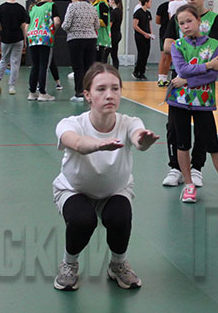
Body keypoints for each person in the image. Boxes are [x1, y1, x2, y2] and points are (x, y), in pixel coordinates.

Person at [52, 63, 159, 291]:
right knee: (83, 220)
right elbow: (77, 143)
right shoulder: (71, 124)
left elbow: (138, 137)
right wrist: (99, 144)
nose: (109, 95)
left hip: (115, 189)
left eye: (115, 88)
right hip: (74, 189)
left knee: (120, 217)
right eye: (101, 89)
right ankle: (69, 264)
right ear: (87, 95)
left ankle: (118, 265)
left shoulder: (129, 122)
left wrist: (144, 140)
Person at [168, 4, 218, 204]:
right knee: (182, 144)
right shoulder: (177, 46)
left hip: (203, 103)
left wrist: (189, 80)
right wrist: (207, 65)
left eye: (189, 21)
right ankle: (188, 184)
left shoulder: (213, 44)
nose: (186, 26)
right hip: (180, 102)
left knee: (213, 145)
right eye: (181, 23)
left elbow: (212, 74)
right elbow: (182, 69)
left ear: (199, 21)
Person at [161, 0, 218, 187]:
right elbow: (168, 46)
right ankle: (175, 167)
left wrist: (193, 71)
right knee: (175, 128)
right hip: (179, 78)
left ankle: (197, 167)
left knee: (203, 129)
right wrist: (190, 50)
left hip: (200, 84)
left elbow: (215, 58)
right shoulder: (178, 17)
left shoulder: (214, 19)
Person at [64, 0, 100, 102]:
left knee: (78, 67)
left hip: (76, 39)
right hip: (91, 39)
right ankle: (90, 91)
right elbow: (97, 25)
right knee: (89, 67)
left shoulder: (72, 7)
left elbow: (66, 24)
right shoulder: (92, 7)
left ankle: (79, 92)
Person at [0, 0, 29, 95]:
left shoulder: (1, 8)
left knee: (4, 59)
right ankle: (12, 86)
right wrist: (25, 39)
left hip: (5, 38)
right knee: (15, 62)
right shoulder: (20, 8)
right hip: (17, 38)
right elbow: (23, 26)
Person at [27, 0, 60, 102]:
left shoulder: (32, 8)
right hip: (45, 37)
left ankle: (32, 92)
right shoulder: (51, 6)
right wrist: (53, 31)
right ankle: (42, 92)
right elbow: (56, 22)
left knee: (34, 65)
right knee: (43, 65)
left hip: (32, 37)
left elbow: (27, 25)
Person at [155, 0, 177, 87]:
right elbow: (157, 20)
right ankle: (160, 78)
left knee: (170, 58)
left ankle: (165, 78)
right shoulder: (163, 7)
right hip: (164, 34)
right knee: (164, 56)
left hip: (175, 35)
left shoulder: (180, 7)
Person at [87, 0, 112, 64]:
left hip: (102, 40)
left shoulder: (102, 5)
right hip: (95, 39)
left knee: (100, 64)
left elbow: (105, 22)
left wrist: (91, 21)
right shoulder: (92, 5)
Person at [132, 0, 154, 80]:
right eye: (150, 2)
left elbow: (149, 24)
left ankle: (142, 72)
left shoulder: (148, 13)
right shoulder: (138, 13)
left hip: (147, 37)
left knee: (146, 54)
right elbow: (135, 26)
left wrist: (151, 33)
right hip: (140, 37)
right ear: (146, 2)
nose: (151, 4)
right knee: (141, 54)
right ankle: (137, 71)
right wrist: (144, 33)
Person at [109, 0, 124, 69]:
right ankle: (115, 70)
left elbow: (110, 25)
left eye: (109, 0)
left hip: (113, 35)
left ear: (113, 1)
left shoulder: (113, 12)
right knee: (114, 55)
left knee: (106, 55)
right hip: (117, 34)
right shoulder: (119, 11)